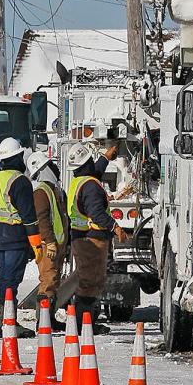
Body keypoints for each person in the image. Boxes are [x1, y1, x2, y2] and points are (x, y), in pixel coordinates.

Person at [67, 139, 126, 332]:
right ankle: (84, 326)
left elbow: (94, 172)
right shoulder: (91, 186)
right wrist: (115, 228)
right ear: (87, 163)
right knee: (90, 282)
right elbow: (98, 214)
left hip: (80, 237)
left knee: (88, 280)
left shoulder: (81, 181)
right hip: (91, 239)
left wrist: (106, 158)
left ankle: (84, 323)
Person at [0, 136, 40, 337]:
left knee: (4, 279)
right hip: (15, 237)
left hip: (0, 237)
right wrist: (36, 244)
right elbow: (29, 216)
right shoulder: (20, 181)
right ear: (18, 156)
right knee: (11, 281)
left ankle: (3, 321)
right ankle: (7, 323)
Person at [24, 149, 69, 326]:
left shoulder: (52, 190)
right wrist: (49, 242)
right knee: (48, 281)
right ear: (43, 169)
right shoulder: (41, 192)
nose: (55, 168)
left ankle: (49, 318)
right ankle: (42, 321)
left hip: (55, 244)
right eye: (50, 165)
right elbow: (42, 219)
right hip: (48, 245)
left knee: (53, 280)